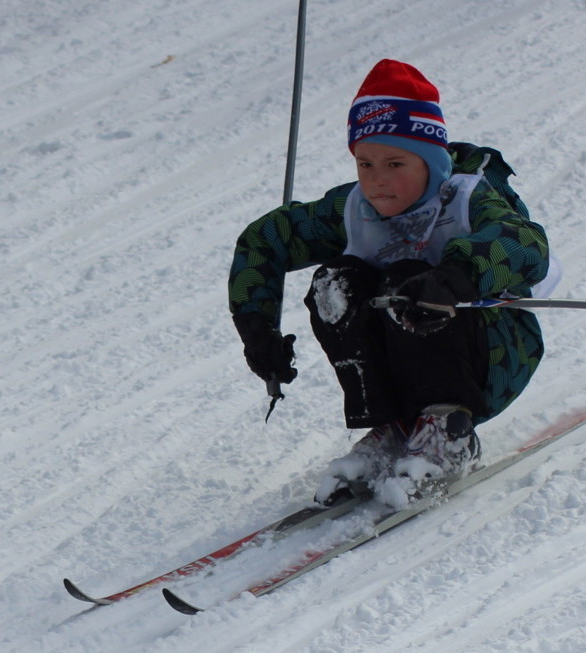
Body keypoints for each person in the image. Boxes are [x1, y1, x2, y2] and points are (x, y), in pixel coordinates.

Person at [228, 59, 555, 505]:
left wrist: (456, 276)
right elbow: (265, 241)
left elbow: (525, 243)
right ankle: (395, 427)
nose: (378, 181)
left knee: (406, 282)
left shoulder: (464, 197)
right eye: (365, 163)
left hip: (494, 355)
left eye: (395, 163)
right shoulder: (353, 207)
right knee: (334, 283)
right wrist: (256, 327)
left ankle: (448, 429)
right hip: (410, 345)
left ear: (432, 159)